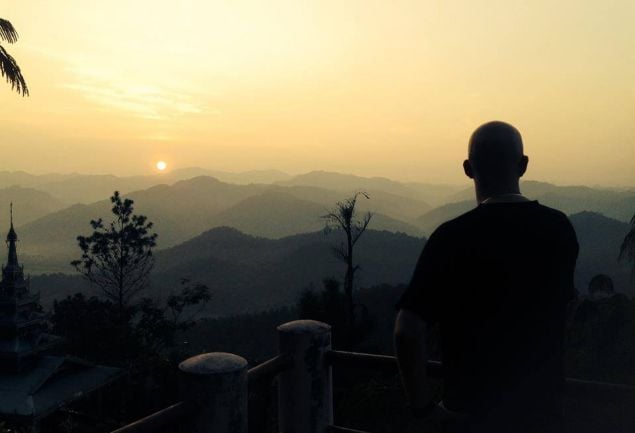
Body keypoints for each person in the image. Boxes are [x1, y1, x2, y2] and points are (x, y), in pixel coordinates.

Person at [394, 121, 579, 433]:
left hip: (470, 414)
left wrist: (423, 407)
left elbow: (407, 331)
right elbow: (568, 308)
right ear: (523, 165)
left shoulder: (450, 238)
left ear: (468, 169)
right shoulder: (559, 228)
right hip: (541, 413)